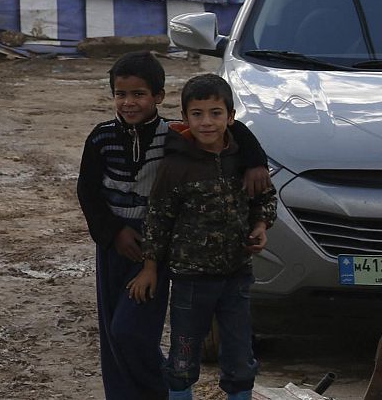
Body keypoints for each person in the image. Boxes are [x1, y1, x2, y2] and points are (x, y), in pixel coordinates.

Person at [77, 53, 271, 400]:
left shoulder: (174, 134)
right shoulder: (100, 137)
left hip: (158, 244)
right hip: (114, 244)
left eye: (138, 94)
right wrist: (113, 233)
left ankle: (156, 391)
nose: (129, 102)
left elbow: (227, 126)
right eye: (121, 94)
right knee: (113, 331)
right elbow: (88, 193)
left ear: (158, 97)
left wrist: (256, 160)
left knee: (133, 331)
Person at [128, 74, 277, 400]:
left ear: (231, 117)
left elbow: (264, 199)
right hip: (190, 280)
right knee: (183, 355)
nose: (206, 122)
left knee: (240, 355)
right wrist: (150, 267)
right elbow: (158, 219)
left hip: (236, 276)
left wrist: (261, 227)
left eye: (215, 113)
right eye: (197, 114)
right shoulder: (175, 166)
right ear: (184, 118)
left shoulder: (244, 160)